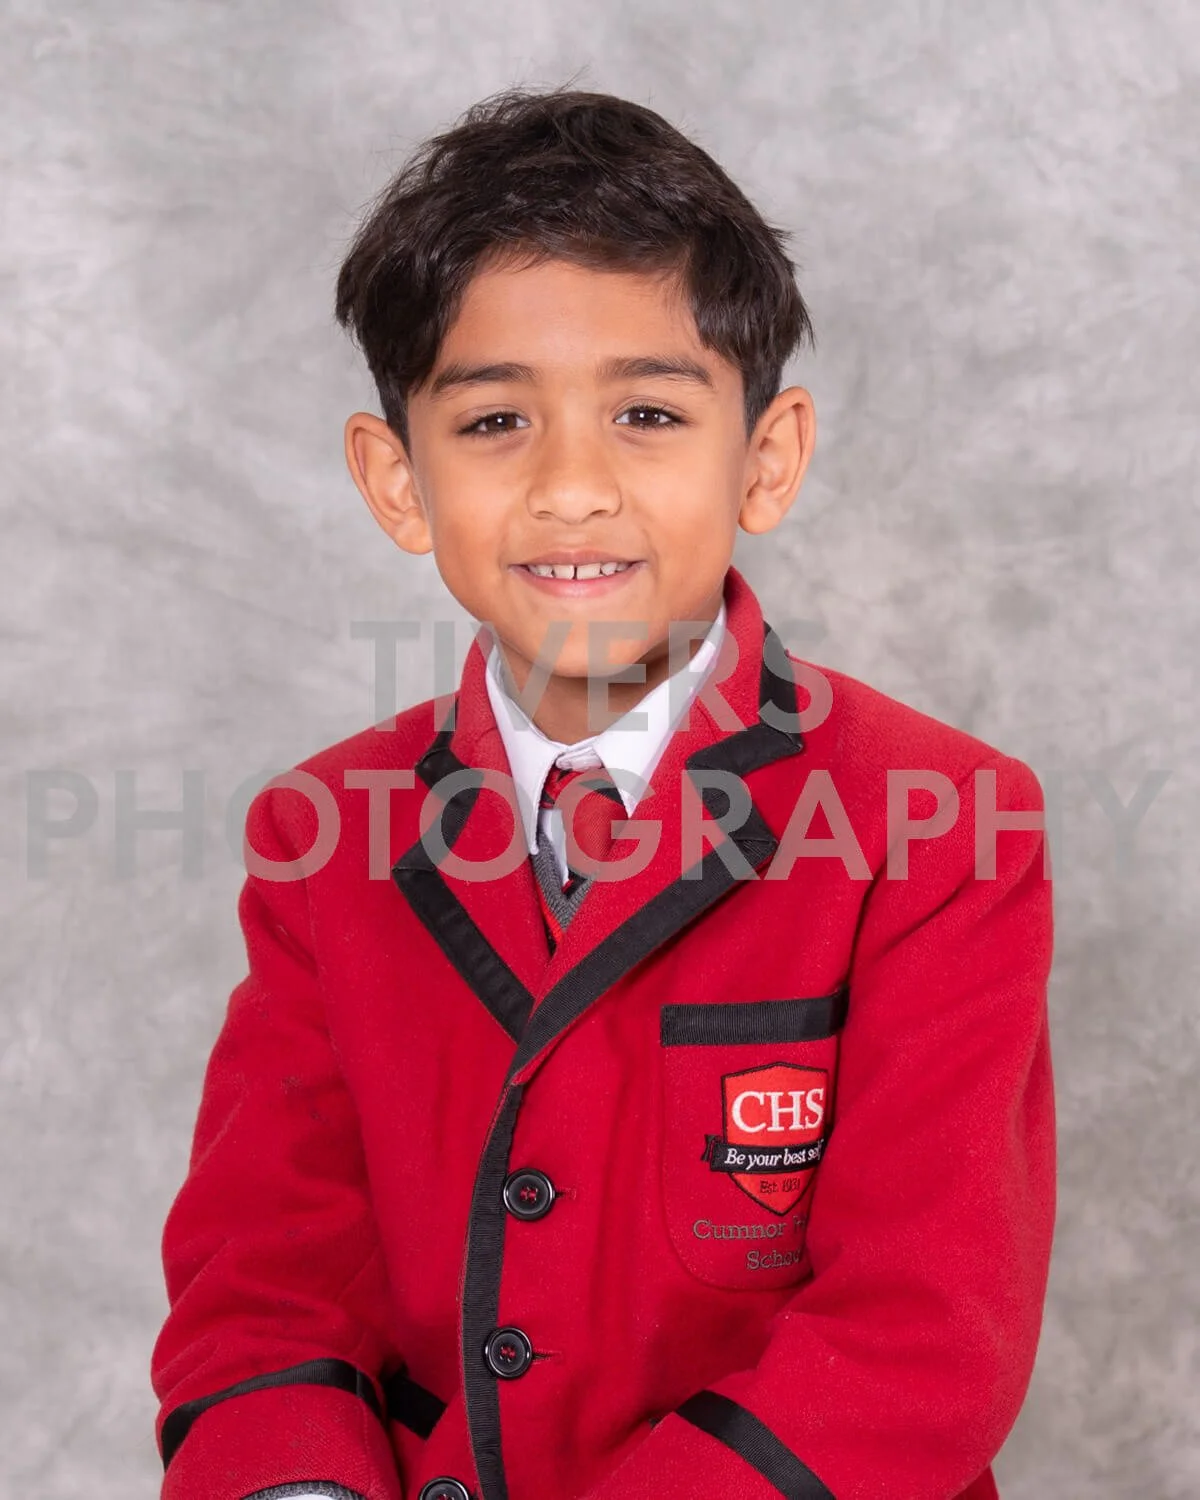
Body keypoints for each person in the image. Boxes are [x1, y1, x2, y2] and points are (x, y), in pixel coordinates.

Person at [150, 86, 1055, 1500]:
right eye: (496, 419)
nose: (572, 488)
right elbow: (265, 1286)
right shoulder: (322, 838)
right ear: (398, 481)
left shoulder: (942, 826)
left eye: (646, 412)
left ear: (765, 458)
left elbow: (923, 1339)